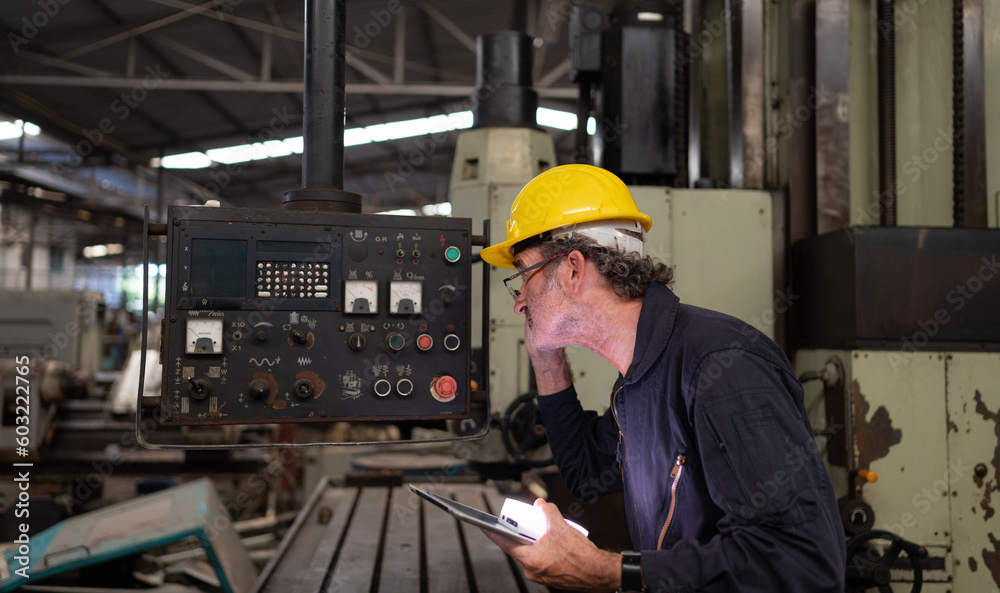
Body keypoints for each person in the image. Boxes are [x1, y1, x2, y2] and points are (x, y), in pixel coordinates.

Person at [478, 164, 846, 592]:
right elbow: (585, 470)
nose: (519, 301)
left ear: (573, 269)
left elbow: (802, 562)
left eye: (523, 274)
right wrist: (545, 359)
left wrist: (608, 572)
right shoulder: (638, 382)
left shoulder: (721, 368)